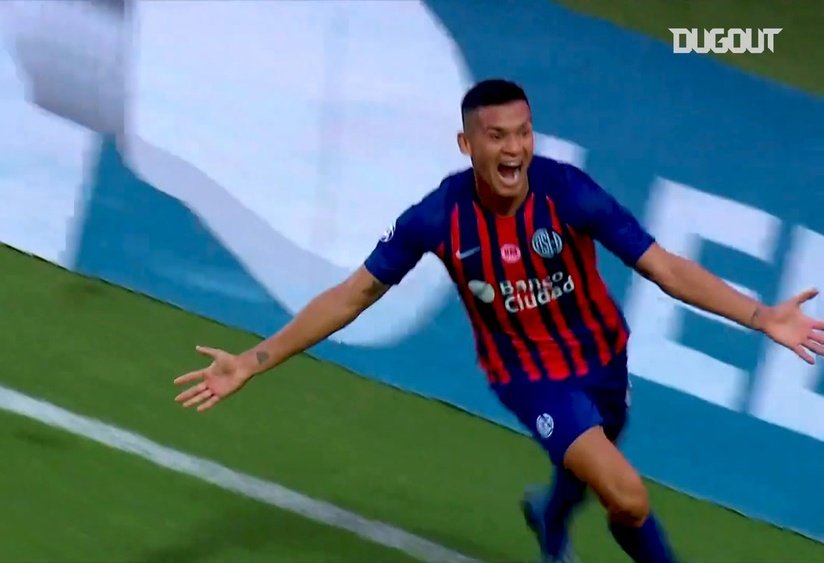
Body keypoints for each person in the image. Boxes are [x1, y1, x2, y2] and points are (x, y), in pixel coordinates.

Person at [172, 79, 824, 563]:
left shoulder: (566, 191)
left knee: (585, 468)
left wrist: (761, 314)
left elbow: (666, 267)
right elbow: (351, 296)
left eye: (523, 132)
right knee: (626, 494)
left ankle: (549, 519)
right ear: (467, 143)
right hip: (530, 376)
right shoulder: (437, 218)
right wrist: (254, 361)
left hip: (603, 359)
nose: (514, 148)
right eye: (497, 135)